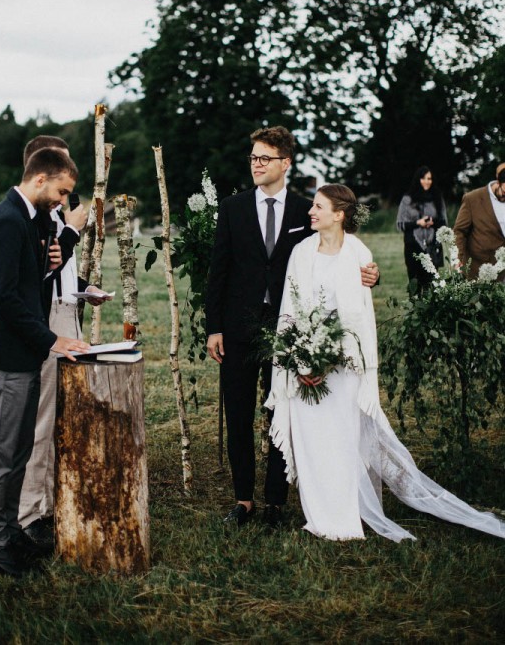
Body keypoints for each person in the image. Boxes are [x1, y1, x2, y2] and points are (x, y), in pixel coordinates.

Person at [266, 184, 505, 542]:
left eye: (318, 207)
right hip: (304, 363)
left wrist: (332, 358)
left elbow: (360, 317)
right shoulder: (301, 252)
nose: (311, 212)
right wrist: (299, 360)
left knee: (341, 438)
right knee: (312, 438)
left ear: (339, 214)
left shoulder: (359, 252)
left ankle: (344, 517)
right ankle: (317, 515)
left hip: (344, 365)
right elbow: (290, 306)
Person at [205, 126, 379, 529]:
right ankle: (244, 499)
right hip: (237, 328)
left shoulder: (307, 208)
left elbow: (340, 250)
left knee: (284, 407)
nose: (256, 165)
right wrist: (215, 328)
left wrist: (370, 273)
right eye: (253, 158)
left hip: (291, 332)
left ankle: (276, 502)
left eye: (265, 158)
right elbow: (219, 272)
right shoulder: (232, 208)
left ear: (286, 163)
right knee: (238, 412)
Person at [0, 148, 91, 577]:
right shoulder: (5, 222)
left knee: (19, 452)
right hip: (5, 356)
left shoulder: (30, 219)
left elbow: (33, 274)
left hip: (25, 355)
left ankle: (10, 533)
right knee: (2, 456)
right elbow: (4, 297)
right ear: (40, 179)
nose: (63, 202)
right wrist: (52, 339)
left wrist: (55, 249)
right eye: (61, 192)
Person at [17, 135, 108, 550]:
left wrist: (84, 288)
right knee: (42, 417)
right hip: (47, 321)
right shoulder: (35, 219)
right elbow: (41, 272)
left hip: (66, 311)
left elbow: (60, 272)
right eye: (62, 182)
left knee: (60, 418)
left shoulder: (49, 214)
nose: (65, 191)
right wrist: (71, 233)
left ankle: (52, 500)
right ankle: (31, 511)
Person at [396, 166, 447, 293]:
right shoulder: (407, 199)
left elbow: (444, 222)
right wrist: (418, 222)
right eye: (423, 178)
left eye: (429, 178)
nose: (426, 181)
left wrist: (432, 222)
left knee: (431, 286)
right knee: (415, 285)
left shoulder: (437, 197)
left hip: (432, 246)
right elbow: (400, 224)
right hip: (413, 245)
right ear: (418, 180)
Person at [453, 161, 505, 280]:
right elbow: (459, 231)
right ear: (498, 182)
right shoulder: (472, 199)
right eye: (504, 192)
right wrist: (458, 259)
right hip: (477, 270)